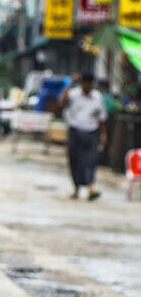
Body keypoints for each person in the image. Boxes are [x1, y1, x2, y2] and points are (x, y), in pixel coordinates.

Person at [58, 71, 107, 200]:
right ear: (81, 83)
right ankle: (77, 188)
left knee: (90, 160)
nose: (88, 86)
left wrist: (103, 134)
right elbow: (61, 101)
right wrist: (71, 83)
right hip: (75, 130)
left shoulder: (97, 97)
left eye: (90, 84)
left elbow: (102, 118)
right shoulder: (73, 94)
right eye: (85, 83)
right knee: (75, 160)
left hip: (91, 131)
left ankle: (91, 188)